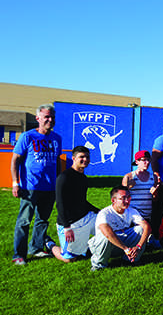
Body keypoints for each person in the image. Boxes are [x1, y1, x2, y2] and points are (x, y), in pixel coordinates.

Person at [11, 104, 62, 265]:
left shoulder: (56, 138)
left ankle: (36, 248)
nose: (50, 120)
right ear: (38, 118)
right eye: (46, 116)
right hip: (30, 187)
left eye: (52, 117)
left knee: (42, 220)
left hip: (50, 187)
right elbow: (15, 160)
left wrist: (59, 182)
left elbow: (57, 163)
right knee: (24, 221)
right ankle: (19, 254)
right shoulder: (27, 137)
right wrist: (15, 183)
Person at [45, 146, 100, 262]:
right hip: (70, 223)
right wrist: (66, 227)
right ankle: (49, 244)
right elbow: (60, 204)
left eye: (87, 157)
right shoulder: (64, 177)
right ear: (74, 158)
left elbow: (82, 201)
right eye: (81, 157)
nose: (85, 159)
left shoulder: (83, 178)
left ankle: (91, 247)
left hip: (85, 218)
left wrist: (100, 212)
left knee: (109, 227)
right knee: (69, 259)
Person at [88, 186, 151, 271]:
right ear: (113, 200)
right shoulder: (104, 213)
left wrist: (138, 246)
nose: (127, 201)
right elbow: (107, 233)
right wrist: (125, 248)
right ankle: (99, 264)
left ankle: (131, 259)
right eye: (123, 198)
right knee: (104, 236)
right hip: (103, 246)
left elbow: (147, 227)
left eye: (128, 197)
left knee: (140, 229)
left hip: (121, 244)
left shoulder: (131, 211)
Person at [122, 150, 159, 222]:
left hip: (148, 216)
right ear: (137, 162)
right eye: (144, 160)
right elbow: (122, 197)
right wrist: (128, 187)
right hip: (133, 216)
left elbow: (156, 199)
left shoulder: (153, 177)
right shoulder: (129, 177)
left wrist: (155, 194)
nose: (147, 162)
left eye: (148, 160)